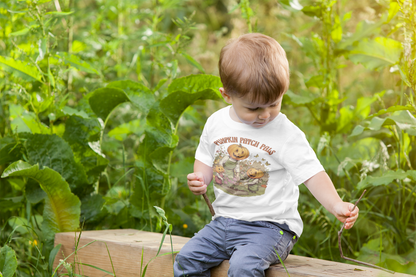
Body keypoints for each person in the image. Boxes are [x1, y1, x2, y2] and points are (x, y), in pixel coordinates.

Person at [173, 33, 359, 277]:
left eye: (274, 103)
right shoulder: (216, 122)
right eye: (254, 108)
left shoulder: (285, 133)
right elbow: (206, 158)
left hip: (271, 228)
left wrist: (335, 204)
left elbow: (311, 173)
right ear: (227, 95)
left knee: (243, 267)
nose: (265, 114)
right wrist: (200, 178)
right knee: (187, 260)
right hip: (223, 222)